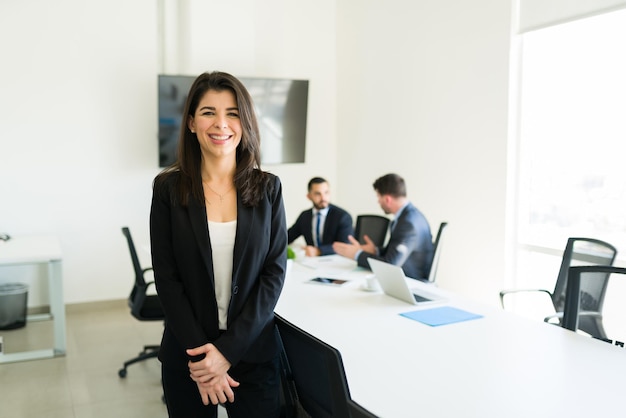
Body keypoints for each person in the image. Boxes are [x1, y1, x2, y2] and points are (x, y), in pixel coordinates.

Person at [150, 71, 287, 417]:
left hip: (252, 351)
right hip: (188, 354)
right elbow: (167, 278)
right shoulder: (168, 189)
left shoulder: (268, 188)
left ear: (245, 123)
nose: (221, 124)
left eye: (233, 113)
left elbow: (273, 273)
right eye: (209, 112)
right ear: (192, 123)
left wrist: (225, 353)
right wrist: (202, 358)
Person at [332, 173, 434, 280]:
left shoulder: (408, 224)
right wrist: (375, 251)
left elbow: (390, 265)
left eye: (378, 197)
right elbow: (393, 253)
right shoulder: (410, 216)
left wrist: (357, 254)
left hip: (410, 282)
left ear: (387, 200)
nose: (378, 201)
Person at [287, 177, 353, 256]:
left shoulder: (343, 216)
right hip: (312, 262)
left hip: (336, 260)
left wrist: (318, 251)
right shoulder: (305, 216)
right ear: (309, 196)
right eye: (318, 194)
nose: (323, 198)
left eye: (326, 192)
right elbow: (288, 237)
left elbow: (345, 246)